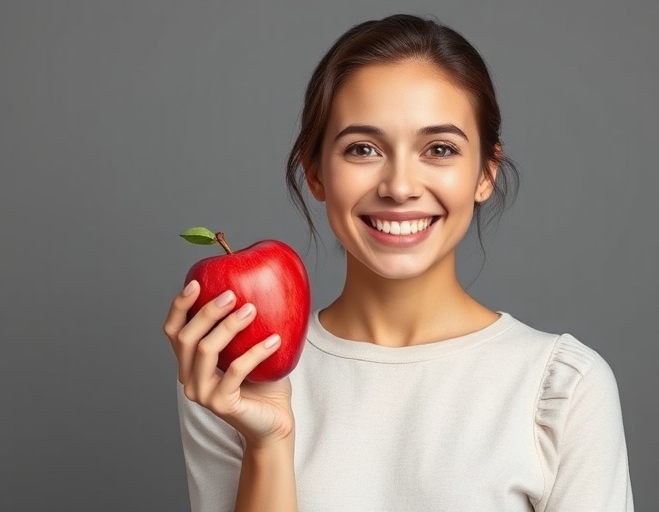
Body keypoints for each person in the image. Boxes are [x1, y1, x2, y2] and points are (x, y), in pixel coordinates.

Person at [163, 13, 633, 512]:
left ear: (484, 173)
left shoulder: (560, 388)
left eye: (439, 149)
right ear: (316, 172)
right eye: (363, 149)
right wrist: (270, 443)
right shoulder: (237, 372)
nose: (400, 186)